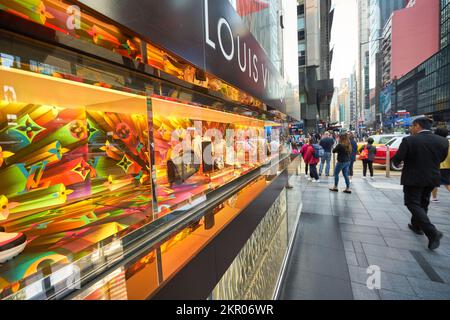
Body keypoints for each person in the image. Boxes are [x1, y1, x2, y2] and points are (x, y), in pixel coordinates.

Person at [392, 117, 449, 251]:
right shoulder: (442, 141)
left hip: (413, 178)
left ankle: (432, 232)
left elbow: (398, 158)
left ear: (417, 126)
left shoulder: (409, 140)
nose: (411, 128)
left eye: (412, 126)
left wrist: (396, 162)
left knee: (412, 203)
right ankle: (417, 226)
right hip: (432, 178)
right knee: (423, 202)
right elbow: (442, 158)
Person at [431, 127, 450, 202]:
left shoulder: (437, 143)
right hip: (447, 165)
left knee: (446, 183)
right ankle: (434, 198)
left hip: (441, 165)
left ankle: (434, 198)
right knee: (435, 183)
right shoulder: (448, 141)